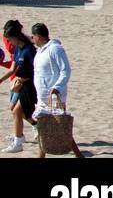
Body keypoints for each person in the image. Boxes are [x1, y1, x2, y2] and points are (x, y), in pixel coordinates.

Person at [30, 23, 81, 158]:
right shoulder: (41, 51)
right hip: (42, 97)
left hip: (54, 97)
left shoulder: (55, 49)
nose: (32, 39)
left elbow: (66, 70)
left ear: (39, 36)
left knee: (61, 126)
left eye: (33, 36)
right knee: (43, 127)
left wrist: (57, 87)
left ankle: (78, 155)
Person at [2, 21, 36, 153]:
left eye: (10, 39)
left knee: (17, 111)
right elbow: (12, 69)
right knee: (15, 110)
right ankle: (20, 136)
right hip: (19, 84)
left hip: (30, 85)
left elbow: (37, 70)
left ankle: (19, 141)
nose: (9, 42)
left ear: (17, 36)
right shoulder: (17, 49)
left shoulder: (29, 50)